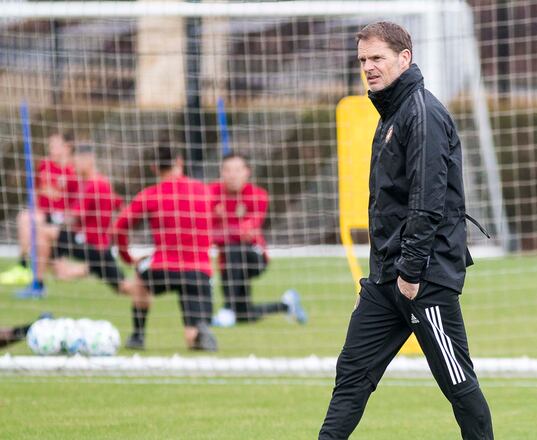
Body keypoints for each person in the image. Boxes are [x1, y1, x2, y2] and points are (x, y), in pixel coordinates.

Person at [319, 22, 493, 439]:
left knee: (457, 383)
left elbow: (427, 201)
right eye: (363, 60)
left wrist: (411, 273)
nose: (368, 67)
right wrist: (391, 273)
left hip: (423, 279)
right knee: (352, 375)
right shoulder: (391, 112)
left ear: (404, 58)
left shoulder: (423, 113)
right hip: (384, 280)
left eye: (377, 57)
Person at [113, 144, 217, 351]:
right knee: (191, 335)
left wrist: (127, 257)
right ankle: (198, 332)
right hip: (199, 271)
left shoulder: (151, 194)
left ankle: (138, 335)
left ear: (153, 167)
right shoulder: (203, 191)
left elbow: (119, 227)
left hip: (163, 267)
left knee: (140, 275)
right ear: (180, 161)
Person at [208, 153, 306, 327]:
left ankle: (228, 309)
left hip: (255, 256)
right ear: (221, 172)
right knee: (244, 315)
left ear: (247, 172)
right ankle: (286, 304)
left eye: (237, 170)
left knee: (234, 249)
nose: (232, 175)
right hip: (229, 263)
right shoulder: (210, 193)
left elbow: (245, 233)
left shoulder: (258, 195)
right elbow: (206, 230)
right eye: (228, 170)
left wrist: (223, 227)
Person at [3, 132, 82, 297]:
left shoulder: (74, 170)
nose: (51, 148)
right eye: (50, 145)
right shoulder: (45, 164)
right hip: (42, 213)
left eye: (55, 145)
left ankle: (32, 268)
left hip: (62, 218)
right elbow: (37, 190)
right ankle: (26, 266)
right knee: (27, 218)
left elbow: (77, 202)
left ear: (67, 147)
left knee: (33, 223)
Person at [48, 143, 127, 292]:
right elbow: (120, 205)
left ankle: (41, 280)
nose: (74, 165)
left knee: (46, 231)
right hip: (96, 245)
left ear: (88, 160)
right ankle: (69, 270)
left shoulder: (94, 184)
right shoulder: (97, 182)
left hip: (92, 245)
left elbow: (75, 217)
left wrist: (56, 218)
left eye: (76, 161)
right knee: (123, 287)